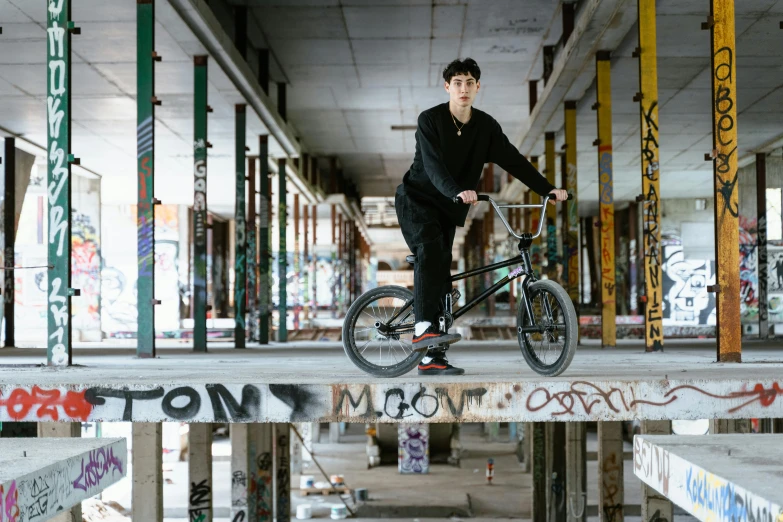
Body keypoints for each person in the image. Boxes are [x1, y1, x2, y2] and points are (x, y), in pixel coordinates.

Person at [395, 58, 568, 376]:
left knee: (442, 281)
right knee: (429, 252)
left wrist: (547, 189)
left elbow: (513, 160)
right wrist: (457, 190)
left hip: (448, 207)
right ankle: (422, 328)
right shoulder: (430, 120)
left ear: (477, 87)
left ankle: (431, 358)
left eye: (469, 82)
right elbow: (433, 166)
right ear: (447, 87)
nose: (463, 88)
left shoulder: (485, 127)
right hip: (417, 200)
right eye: (457, 83)